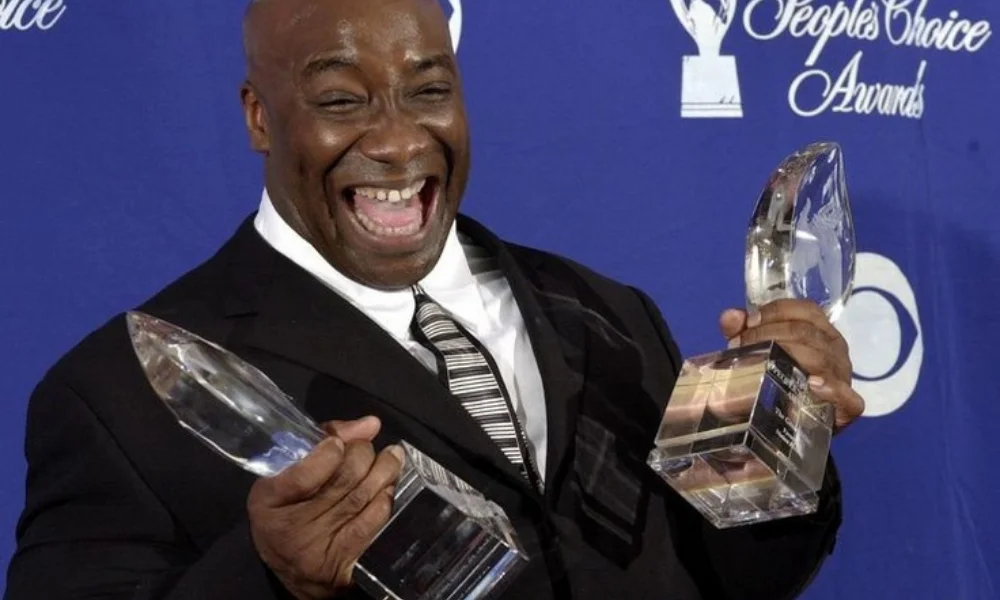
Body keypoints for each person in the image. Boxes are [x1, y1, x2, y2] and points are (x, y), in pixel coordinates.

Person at [4, 0, 865, 598]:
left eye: (428, 90)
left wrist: (784, 450)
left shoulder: (608, 313)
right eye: (341, 100)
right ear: (260, 116)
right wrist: (270, 581)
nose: (396, 137)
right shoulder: (123, 390)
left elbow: (724, 581)